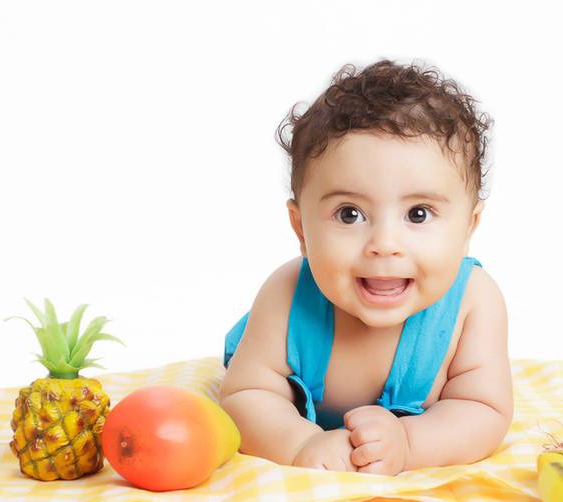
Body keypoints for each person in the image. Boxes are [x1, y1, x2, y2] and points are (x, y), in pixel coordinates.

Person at [219, 58, 513, 476]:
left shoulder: (473, 302)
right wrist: (300, 443)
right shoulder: (286, 294)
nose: (384, 245)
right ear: (301, 228)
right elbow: (246, 395)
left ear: (469, 226)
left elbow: (482, 410)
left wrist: (409, 444)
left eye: (418, 214)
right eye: (349, 214)